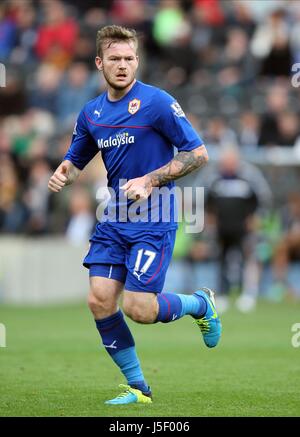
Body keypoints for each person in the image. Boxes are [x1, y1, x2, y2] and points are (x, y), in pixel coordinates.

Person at [48, 25, 221, 405]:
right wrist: (64, 172)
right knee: (99, 299)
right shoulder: (91, 112)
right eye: (115, 59)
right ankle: (138, 387)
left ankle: (200, 304)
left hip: (154, 217)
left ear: (137, 61)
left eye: (129, 59)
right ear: (99, 63)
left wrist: (151, 179)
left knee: (139, 308)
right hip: (114, 216)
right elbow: (75, 159)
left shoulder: (157, 102)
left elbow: (198, 153)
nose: (123, 66)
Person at [197, 145, 272, 313]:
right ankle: (222, 294)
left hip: (244, 228)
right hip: (222, 228)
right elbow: (203, 199)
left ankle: (248, 294)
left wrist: (256, 218)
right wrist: (209, 219)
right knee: (221, 260)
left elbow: (262, 198)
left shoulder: (249, 176)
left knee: (248, 259)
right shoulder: (214, 177)